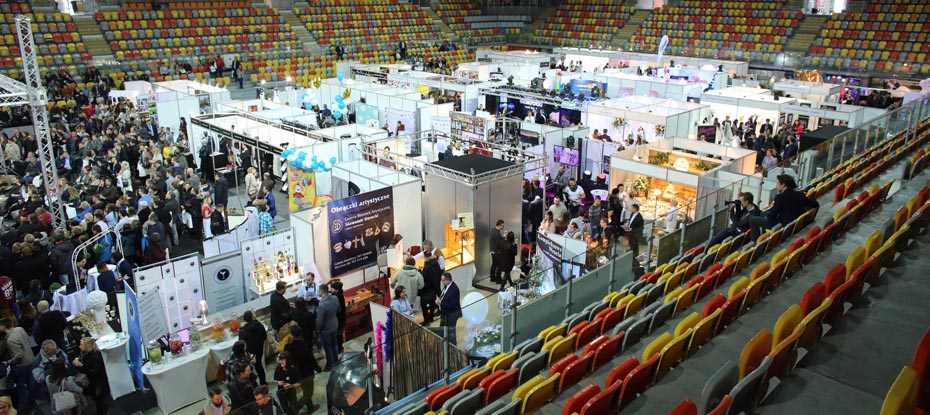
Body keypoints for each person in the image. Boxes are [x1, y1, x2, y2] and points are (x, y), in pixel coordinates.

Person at [749, 174, 819, 240]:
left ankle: (755, 241)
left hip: (783, 223)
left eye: (778, 183)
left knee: (752, 219)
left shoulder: (780, 197)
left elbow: (771, 216)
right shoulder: (800, 194)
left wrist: (769, 216)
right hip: (794, 221)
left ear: (783, 185)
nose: (776, 185)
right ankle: (764, 236)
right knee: (763, 213)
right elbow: (815, 204)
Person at [0, 318, 35, 414]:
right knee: (31, 382)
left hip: (21, 365)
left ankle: (23, 407)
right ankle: (32, 401)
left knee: (21, 386)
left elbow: (19, 355)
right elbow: (28, 340)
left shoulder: (10, 340)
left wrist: (8, 362)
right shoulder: (20, 329)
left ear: (3, 326)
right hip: (30, 359)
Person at [72, 338, 110, 415]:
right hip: (93, 384)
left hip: (98, 385)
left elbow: (93, 372)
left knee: (100, 402)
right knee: (97, 401)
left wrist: (81, 366)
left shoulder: (95, 356)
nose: (79, 346)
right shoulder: (86, 354)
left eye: (81, 345)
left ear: (87, 346)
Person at [238, 310, 268, 385]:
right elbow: (264, 336)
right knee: (259, 366)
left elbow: (241, 343)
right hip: (259, 349)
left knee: (248, 369)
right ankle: (263, 382)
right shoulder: (259, 325)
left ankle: (253, 384)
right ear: (252, 317)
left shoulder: (243, 331)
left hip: (249, 352)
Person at [316, 283, 340, 370]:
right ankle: (336, 360)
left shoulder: (321, 305)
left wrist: (318, 331)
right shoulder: (335, 298)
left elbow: (320, 321)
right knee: (334, 344)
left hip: (326, 329)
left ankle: (329, 364)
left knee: (327, 347)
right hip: (334, 324)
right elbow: (338, 310)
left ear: (321, 292)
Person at [436, 272, 461, 345]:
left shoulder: (454, 290)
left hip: (452, 315)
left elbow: (454, 305)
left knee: (451, 332)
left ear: (448, 280)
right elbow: (444, 296)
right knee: (443, 330)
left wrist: (441, 303)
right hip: (445, 314)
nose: (441, 282)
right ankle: (443, 344)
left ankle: (453, 346)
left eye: (443, 280)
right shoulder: (446, 286)